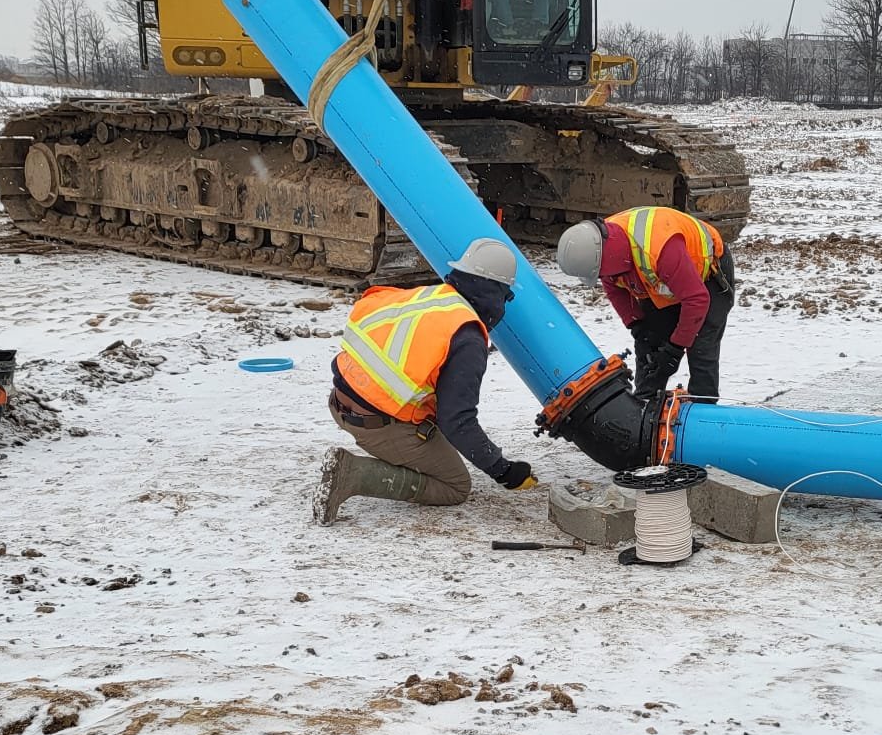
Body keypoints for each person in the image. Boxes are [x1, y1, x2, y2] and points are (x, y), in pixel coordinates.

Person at [314, 237, 536, 523]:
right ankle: (354, 473)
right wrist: (503, 470)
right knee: (455, 485)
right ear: (496, 293)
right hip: (374, 422)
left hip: (342, 401)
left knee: (439, 433)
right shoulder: (466, 337)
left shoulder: (431, 297)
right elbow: (457, 421)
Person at [555, 207, 736, 401]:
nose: (601, 278)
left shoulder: (660, 250)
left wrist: (675, 350)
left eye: (600, 273)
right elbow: (615, 289)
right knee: (650, 343)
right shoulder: (602, 253)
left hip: (708, 273)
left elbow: (697, 300)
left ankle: (703, 411)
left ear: (606, 259)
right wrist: (637, 325)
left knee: (701, 348)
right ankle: (644, 405)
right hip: (661, 281)